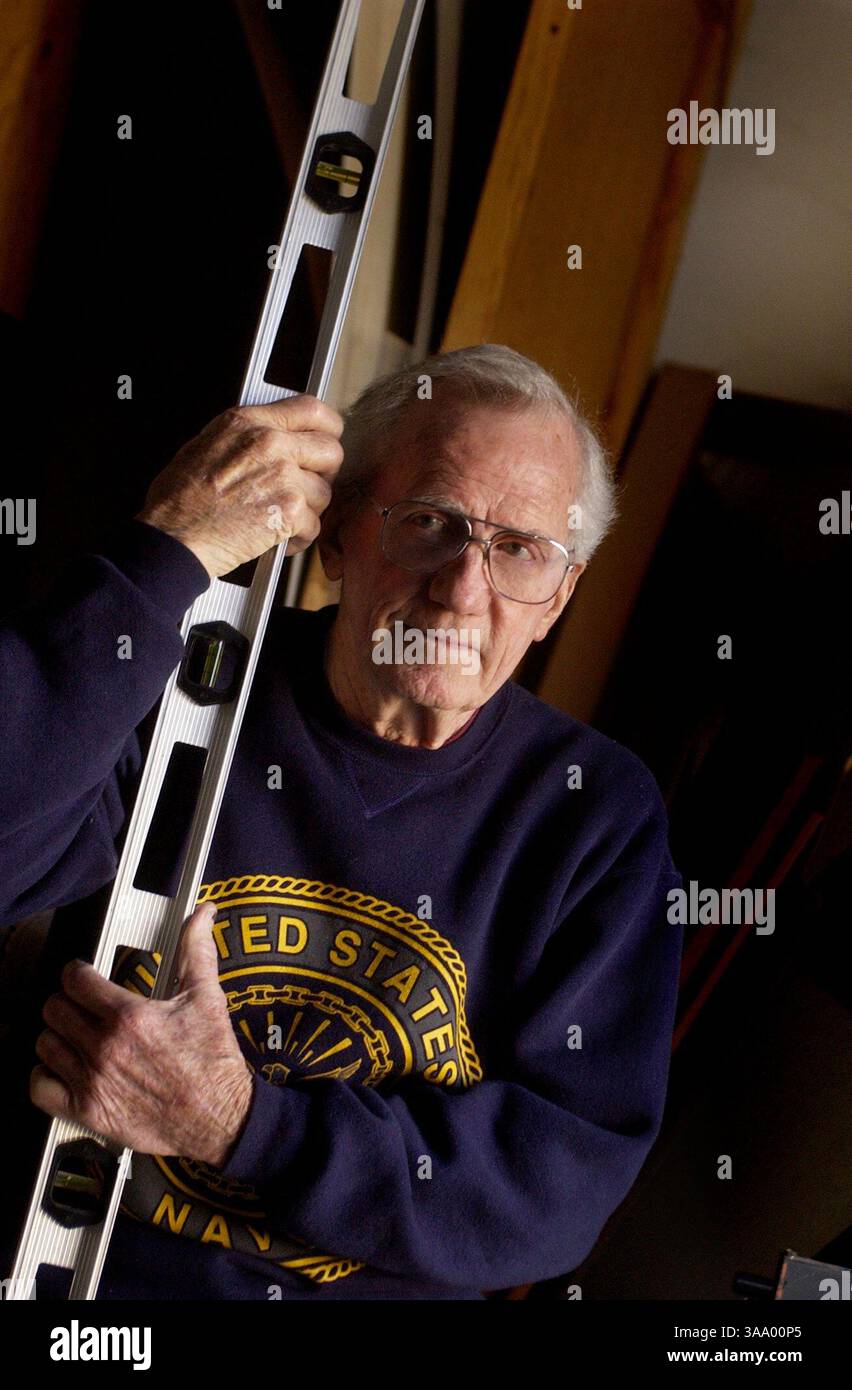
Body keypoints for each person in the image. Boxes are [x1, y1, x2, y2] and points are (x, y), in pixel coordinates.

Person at [1, 344, 683, 1300]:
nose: (462, 589)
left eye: (520, 549)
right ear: (334, 536)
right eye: (430, 523)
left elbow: (552, 1197)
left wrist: (239, 1123)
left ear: (559, 596)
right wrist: (166, 556)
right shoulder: (190, 694)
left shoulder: (597, 817)